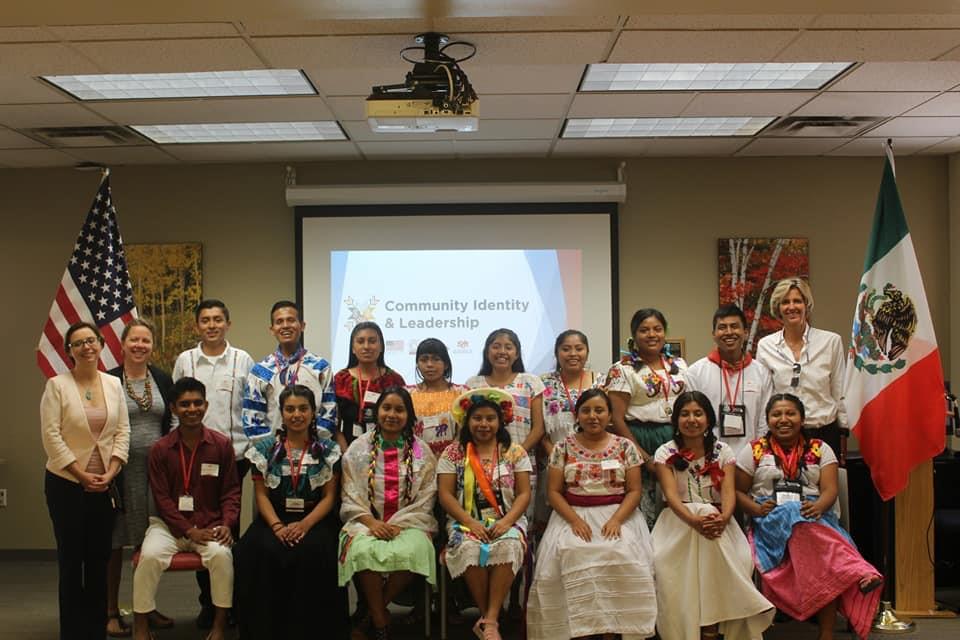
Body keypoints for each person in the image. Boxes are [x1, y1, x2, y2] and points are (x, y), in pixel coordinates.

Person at [734, 394, 883, 640]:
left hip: (815, 517)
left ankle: (827, 631)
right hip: (770, 520)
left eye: (790, 413)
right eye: (776, 414)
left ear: (802, 419)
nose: (784, 419)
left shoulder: (820, 448)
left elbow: (830, 490)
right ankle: (857, 571)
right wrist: (755, 509)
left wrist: (819, 507)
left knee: (812, 541)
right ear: (768, 419)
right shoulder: (754, 450)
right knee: (805, 528)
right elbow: (737, 491)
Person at [527, 389, 656, 640]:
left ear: (609, 415)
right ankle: (579, 631)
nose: (593, 416)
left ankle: (611, 630)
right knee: (572, 552)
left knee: (619, 552)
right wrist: (575, 520)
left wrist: (617, 520)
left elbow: (634, 490)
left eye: (599, 410)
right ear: (577, 415)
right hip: (572, 514)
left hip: (618, 514)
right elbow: (554, 492)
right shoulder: (563, 446)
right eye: (586, 410)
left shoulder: (625, 446)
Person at [652, 391, 774, 640]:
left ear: (708, 419)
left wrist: (724, 517)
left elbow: (728, 493)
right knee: (671, 558)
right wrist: (694, 520)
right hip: (678, 522)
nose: (692, 419)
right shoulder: (665, 452)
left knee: (713, 520)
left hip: (718, 524)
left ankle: (709, 627)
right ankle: (706, 628)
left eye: (698, 413)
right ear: (675, 420)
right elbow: (671, 496)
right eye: (685, 414)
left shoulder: (723, 451)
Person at [234, 385, 348, 640]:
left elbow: (329, 497)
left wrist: (304, 525)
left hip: (315, 519)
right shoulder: (264, 449)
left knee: (317, 552)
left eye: (303, 408)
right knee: (253, 552)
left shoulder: (328, 450)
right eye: (290, 409)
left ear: (313, 412)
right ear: (281, 413)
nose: (297, 414)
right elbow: (261, 495)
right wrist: (276, 526)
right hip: (275, 519)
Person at [132, 378, 240, 640]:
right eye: (184, 404)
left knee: (222, 557)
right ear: (173, 409)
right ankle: (141, 626)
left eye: (197, 403)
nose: (192, 409)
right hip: (168, 526)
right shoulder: (160, 449)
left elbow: (231, 492)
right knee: (149, 558)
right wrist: (188, 530)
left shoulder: (221, 445)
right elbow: (162, 500)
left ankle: (218, 625)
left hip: (211, 524)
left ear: (206, 405)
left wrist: (226, 523)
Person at [41, 321, 130, 640]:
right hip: (66, 485)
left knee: (98, 560)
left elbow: (123, 431)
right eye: (78, 343)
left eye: (91, 340)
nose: (86, 347)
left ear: (102, 345)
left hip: (104, 484)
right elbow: (51, 436)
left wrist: (111, 472)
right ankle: (72, 632)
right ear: (69, 352)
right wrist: (81, 475)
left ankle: (95, 630)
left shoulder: (113, 384)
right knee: (70, 560)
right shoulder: (57, 385)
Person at [172, 299, 255, 628]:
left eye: (218, 319)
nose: (211, 325)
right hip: (192, 456)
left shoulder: (242, 360)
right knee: (202, 527)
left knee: (227, 530)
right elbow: (175, 409)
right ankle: (208, 601)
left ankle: (228, 603)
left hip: (234, 455)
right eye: (205, 320)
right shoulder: (185, 360)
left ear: (228, 324)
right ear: (197, 326)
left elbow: (252, 408)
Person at [339, 386, 438, 640]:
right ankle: (381, 618)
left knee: (416, 550)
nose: (392, 414)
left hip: (410, 523)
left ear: (409, 415)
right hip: (365, 522)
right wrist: (371, 522)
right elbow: (350, 493)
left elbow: (427, 495)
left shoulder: (421, 451)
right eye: (386, 408)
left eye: (399, 409)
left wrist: (400, 524)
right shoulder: (358, 448)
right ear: (377, 412)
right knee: (362, 550)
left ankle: (373, 615)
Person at [437, 388, 532, 640]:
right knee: (468, 547)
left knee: (509, 543)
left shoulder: (515, 452)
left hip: (507, 520)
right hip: (465, 521)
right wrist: (469, 522)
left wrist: (507, 521)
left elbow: (523, 494)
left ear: (500, 421)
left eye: (490, 418)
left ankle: (488, 621)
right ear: (467, 421)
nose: (484, 424)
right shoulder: (453, 452)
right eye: (477, 418)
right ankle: (489, 614)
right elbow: (445, 494)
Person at [105, 318, 174, 638]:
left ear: (152, 345)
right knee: (116, 542)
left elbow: (172, 420)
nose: (139, 345)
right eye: (134, 340)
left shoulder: (161, 378)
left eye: (145, 341)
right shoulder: (108, 380)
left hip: (155, 473)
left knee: (150, 543)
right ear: (122, 344)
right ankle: (110, 611)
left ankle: (147, 607)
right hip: (118, 471)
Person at [604, 308, 688, 528]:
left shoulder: (678, 366)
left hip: (675, 440)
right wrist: (643, 457)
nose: (652, 335)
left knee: (677, 503)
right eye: (644, 330)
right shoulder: (623, 370)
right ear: (634, 335)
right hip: (638, 439)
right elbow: (617, 420)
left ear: (664, 333)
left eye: (657, 329)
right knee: (645, 509)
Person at [756, 278, 849, 461]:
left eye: (797, 301)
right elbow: (765, 396)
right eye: (785, 302)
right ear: (778, 308)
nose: (792, 307)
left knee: (827, 489)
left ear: (806, 304)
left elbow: (840, 392)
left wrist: (844, 432)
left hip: (824, 433)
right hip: (784, 436)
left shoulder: (831, 342)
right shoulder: (765, 346)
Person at [243, 300, 340, 449]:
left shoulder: (320, 368)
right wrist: (273, 449)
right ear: (272, 329)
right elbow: (251, 418)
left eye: (291, 320)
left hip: (313, 453)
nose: (285, 325)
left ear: (302, 326)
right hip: (273, 455)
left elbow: (329, 414)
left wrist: (312, 444)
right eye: (279, 322)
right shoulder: (261, 371)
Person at [686, 304, 773, 456]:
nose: (728, 332)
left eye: (734, 326)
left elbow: (764, 421)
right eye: (722, 327)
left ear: (745, 333)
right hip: (711, 458)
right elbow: (692, 421)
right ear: (713, 334)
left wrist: (757, 455)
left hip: (751, 457)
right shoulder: (696, 373)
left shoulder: (761, 372)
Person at [334, 321, 406, 447]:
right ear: (353, 348)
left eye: (372, 341)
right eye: (360, 341)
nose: (366, 346)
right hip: (347, 447)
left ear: (381, 347)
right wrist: (345, 452)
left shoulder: (394, 380)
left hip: (386, 448)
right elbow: (333, 420)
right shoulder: (341, 379)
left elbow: (404, 419)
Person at [408, 338, 466, 457]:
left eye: (436, 359)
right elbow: (405, 432)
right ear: (417, 364)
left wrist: (448, 458)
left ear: (446, 364)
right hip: (418, 462)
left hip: (454, 461)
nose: (429, 365)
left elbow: (466, 430)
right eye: (424, 360)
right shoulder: (407, 394)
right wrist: (419, 458)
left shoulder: (461, 393)